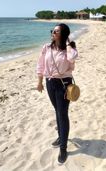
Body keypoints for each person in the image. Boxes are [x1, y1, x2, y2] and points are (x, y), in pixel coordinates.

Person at [36, 23, 78, 164]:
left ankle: (63, 148)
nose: (53, 33)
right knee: (57, 111)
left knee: (62, 113)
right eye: (52, 31)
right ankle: (61, 136)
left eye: (56, 31)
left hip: (63, 84)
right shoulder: (46, 47)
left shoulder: (69, 49)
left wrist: (67, 44)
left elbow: (73, 58)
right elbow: (40, 65)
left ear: (63, 34)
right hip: (49, 83)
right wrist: (40, 81)